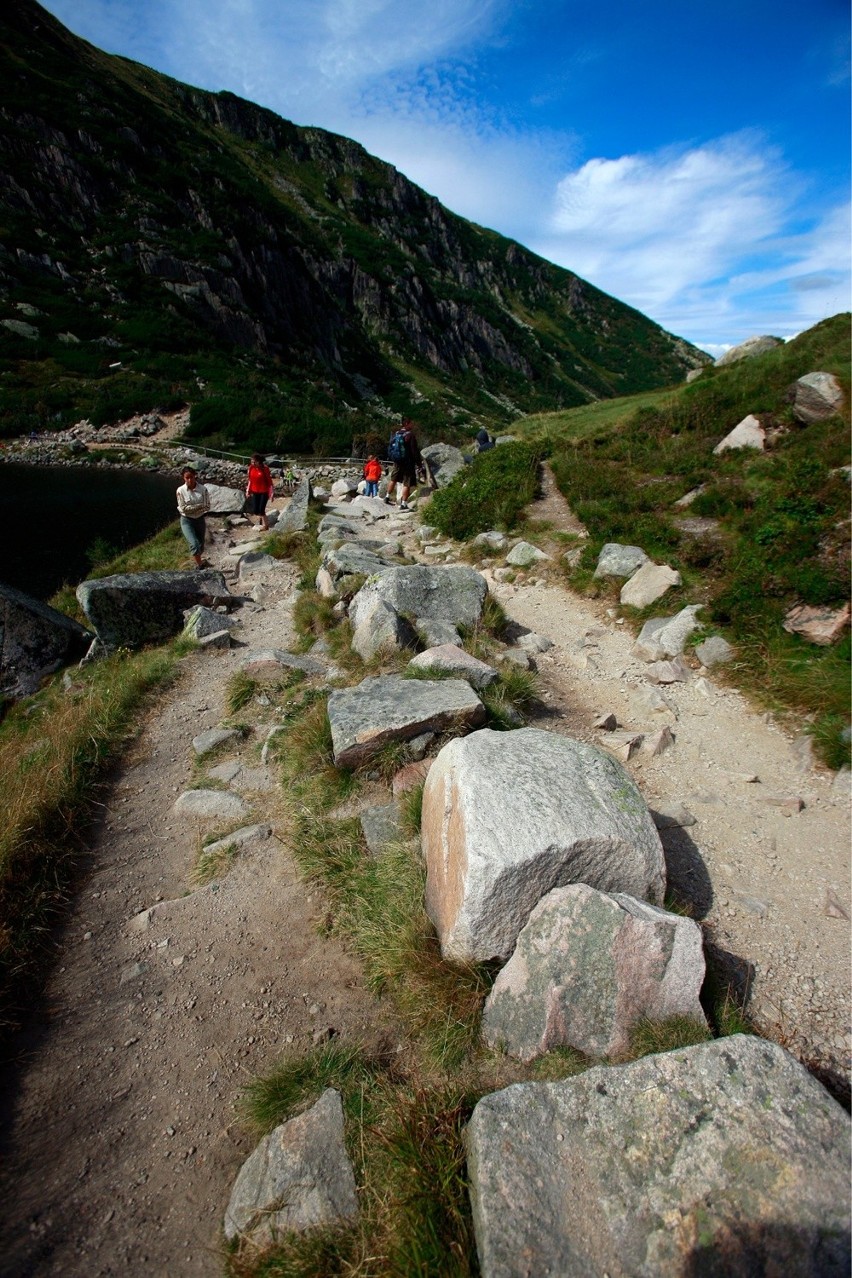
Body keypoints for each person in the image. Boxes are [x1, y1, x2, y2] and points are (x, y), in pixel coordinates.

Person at [176, 466, 211, 567]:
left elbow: (207, 506)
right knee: (194, 544)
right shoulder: (180, 491)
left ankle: (198, 559)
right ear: (184, 478)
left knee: (201, 545)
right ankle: (199, 566)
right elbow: (183, 508)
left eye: (191, 477)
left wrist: (192, 507)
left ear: (195, 476)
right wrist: (199, 506)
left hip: (199, 519)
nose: (190, 480)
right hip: (186, 520)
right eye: (187, 478)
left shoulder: (203, 489)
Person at [384, 419, 422, 509]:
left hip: (397, 461)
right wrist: (419, 463)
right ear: (406, 424)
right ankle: (404, 503)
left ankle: (387, 496)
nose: (412, 425)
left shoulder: (397, 433)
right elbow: (414, 451)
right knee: (406, 483)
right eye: (411, 423)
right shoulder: (410, 435)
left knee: (393, 478)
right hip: (408, 462)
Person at [245, 452, 275, 530]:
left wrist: (271, 493)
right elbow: (250, 480)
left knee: (261, 510)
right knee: (255, 510)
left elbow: (269, 482)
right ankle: (261, 519)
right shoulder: (251, 468)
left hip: (264, 492)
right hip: (255, 491)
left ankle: (266, 526)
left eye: (254, 462)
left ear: (259, 461)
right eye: (252, 462)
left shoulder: (265, 468)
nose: (253, 463)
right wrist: (248, 491)